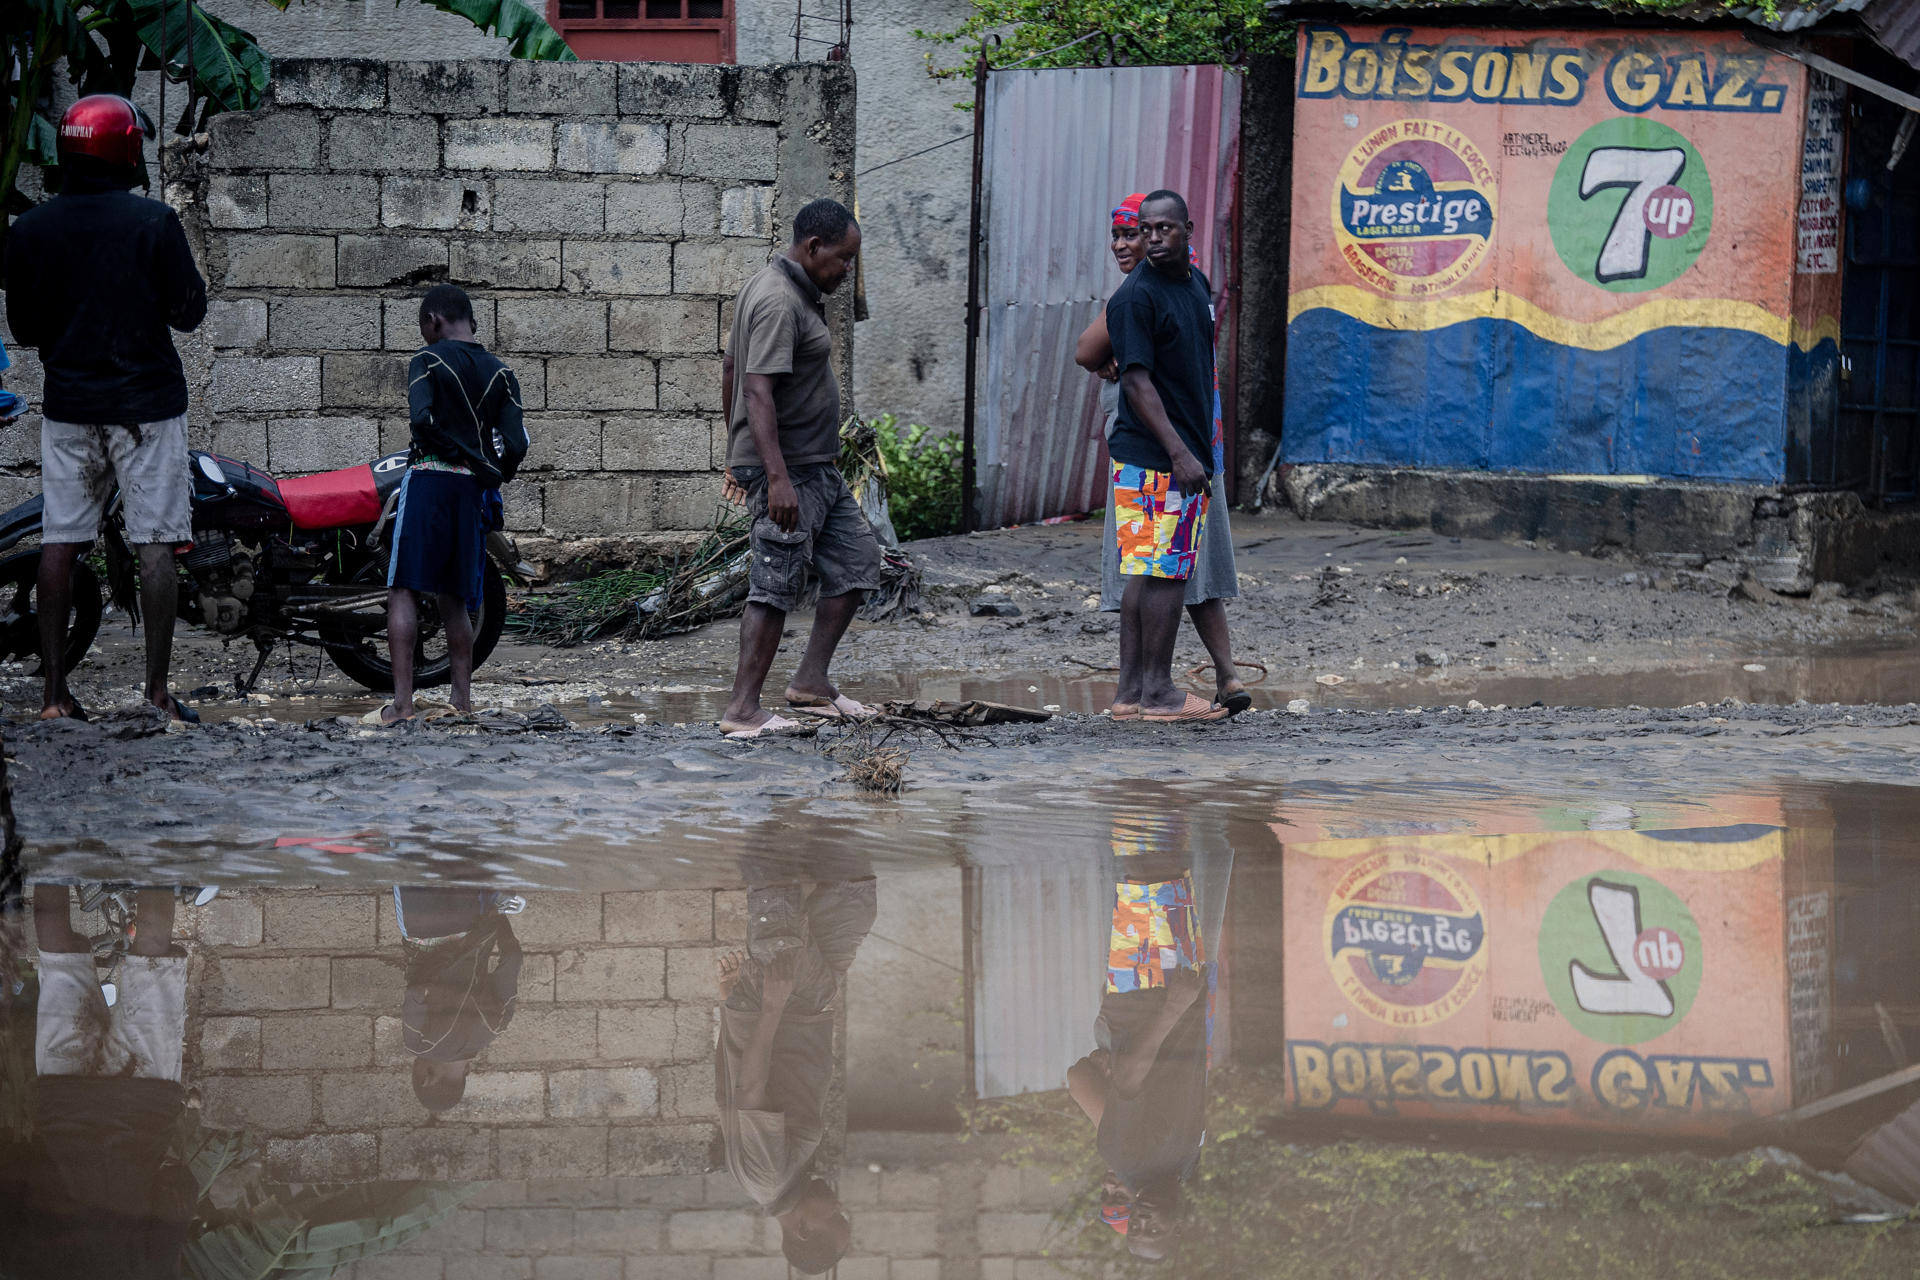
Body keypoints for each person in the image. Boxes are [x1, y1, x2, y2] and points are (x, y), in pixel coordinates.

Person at [4, 95, 207, 723]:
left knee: (61, 541)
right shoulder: (154, 223)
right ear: (126, 151)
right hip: (147, 409)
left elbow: (26, 329)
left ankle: (54, 695)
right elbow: (190, 313)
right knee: (155, 543)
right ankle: (156, 693)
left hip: (69, 408)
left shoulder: (30, 230)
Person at [1076, 195, 1248, 719]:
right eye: (1144, 229)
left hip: (1182, 451)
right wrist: (1180, 453)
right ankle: (1158, 693)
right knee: (1166, 573)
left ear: (1188, 230)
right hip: (1156, 456)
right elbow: (1135, 380)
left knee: (1148, 571)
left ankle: (1130, 696)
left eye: (1163, 228)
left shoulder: (1194, 285)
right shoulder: (1136, 297)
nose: (1152, 238)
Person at [718, 197, 881, 739]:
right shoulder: (777, 300)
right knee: (775, 583)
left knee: (858, 561)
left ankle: (810, 681)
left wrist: (735, 451)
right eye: (844, 258)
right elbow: (754, 389)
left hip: (815, 467)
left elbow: (731, 368)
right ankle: (743, 710)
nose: (848, 269)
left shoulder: (783, 290)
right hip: (790, 472)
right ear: (813, 247)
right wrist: (773, 477)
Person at [1067, 814, 1220, 1266]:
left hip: (1143, 992)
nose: (1144, 1220)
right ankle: (1153, 791)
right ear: (1179, 1226)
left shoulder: (1126, 1155)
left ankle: (1134, 789)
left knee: (1146, 872)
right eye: (1154, 1229)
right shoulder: (1185, 1166)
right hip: (1178, 997)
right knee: (1170, 869)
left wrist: (1174, 1007)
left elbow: (1130, 1076)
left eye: (1137, 1226)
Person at [713, 854, 875, 1274]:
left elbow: (748, 1090)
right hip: (807, 1001)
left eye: (835, 1216)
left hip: (784, 1000)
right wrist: (730, 1006)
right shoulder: (790, 1179)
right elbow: (728, 1091)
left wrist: (767, 1005)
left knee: (775, 877)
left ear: (802, 1229)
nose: (839, 1205)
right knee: (855, 891)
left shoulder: (769, 1177)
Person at [23, 883, 196, 1278]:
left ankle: (156, 849)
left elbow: (176, 1193)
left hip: (143, 1103)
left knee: (152, 953)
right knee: (59, 956)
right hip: (64, 1104)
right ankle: (52, 855)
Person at [375, 284, 528, 725]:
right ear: (472, 322)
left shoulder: (427, 361)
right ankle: (461, 702)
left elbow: (421, 421)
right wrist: (492, 471)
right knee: (456, 599)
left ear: (433, 321)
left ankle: (402, 705)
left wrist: (454, 454)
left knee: (403, 589)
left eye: (423, 326)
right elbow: (517, 443)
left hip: (428, 481)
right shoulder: (501, 373)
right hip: (470, 492)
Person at [396, 886, 526, 1112]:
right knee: (412, 866)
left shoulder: (495, 1027)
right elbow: (416, 991)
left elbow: (512, 956)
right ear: (426, 1077)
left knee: (465, 867)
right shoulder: (418, 1044)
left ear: (467, 1072)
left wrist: (496, 915)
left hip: (475, 918)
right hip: (421, 921)